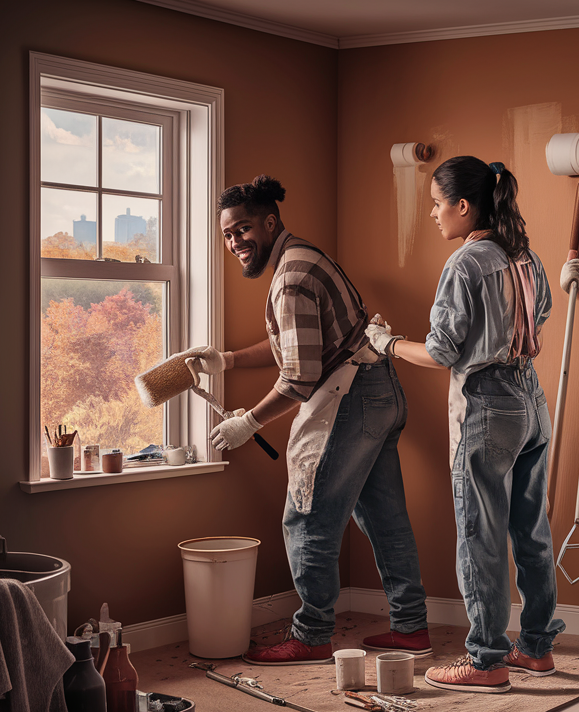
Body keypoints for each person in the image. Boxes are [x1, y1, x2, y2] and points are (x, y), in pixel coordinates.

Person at [181, 175, 430, 665]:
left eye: (244, 229)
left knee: (307, 514)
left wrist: (248, 422)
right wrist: (226, 360)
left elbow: (298, 377)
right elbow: (294, 347)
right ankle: (411, 628)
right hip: (380, 391)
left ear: (270, 222)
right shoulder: (300, 256)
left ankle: (312, 634)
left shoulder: (290, 278)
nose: (236, 243)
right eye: (228, 234)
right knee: (384, 518)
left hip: (352, 398)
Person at [367, 157, 568, 694]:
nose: (433, 214)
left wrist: (385, 343)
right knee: (531, 530)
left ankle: (485, 659)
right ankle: (537, 647)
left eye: (436, 204)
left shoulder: (464, 264)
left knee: (480, 532)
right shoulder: (524, 256)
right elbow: (541, 313)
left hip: (486, 407)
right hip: (531, 401)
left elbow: (440, 352)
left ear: (463, 206)